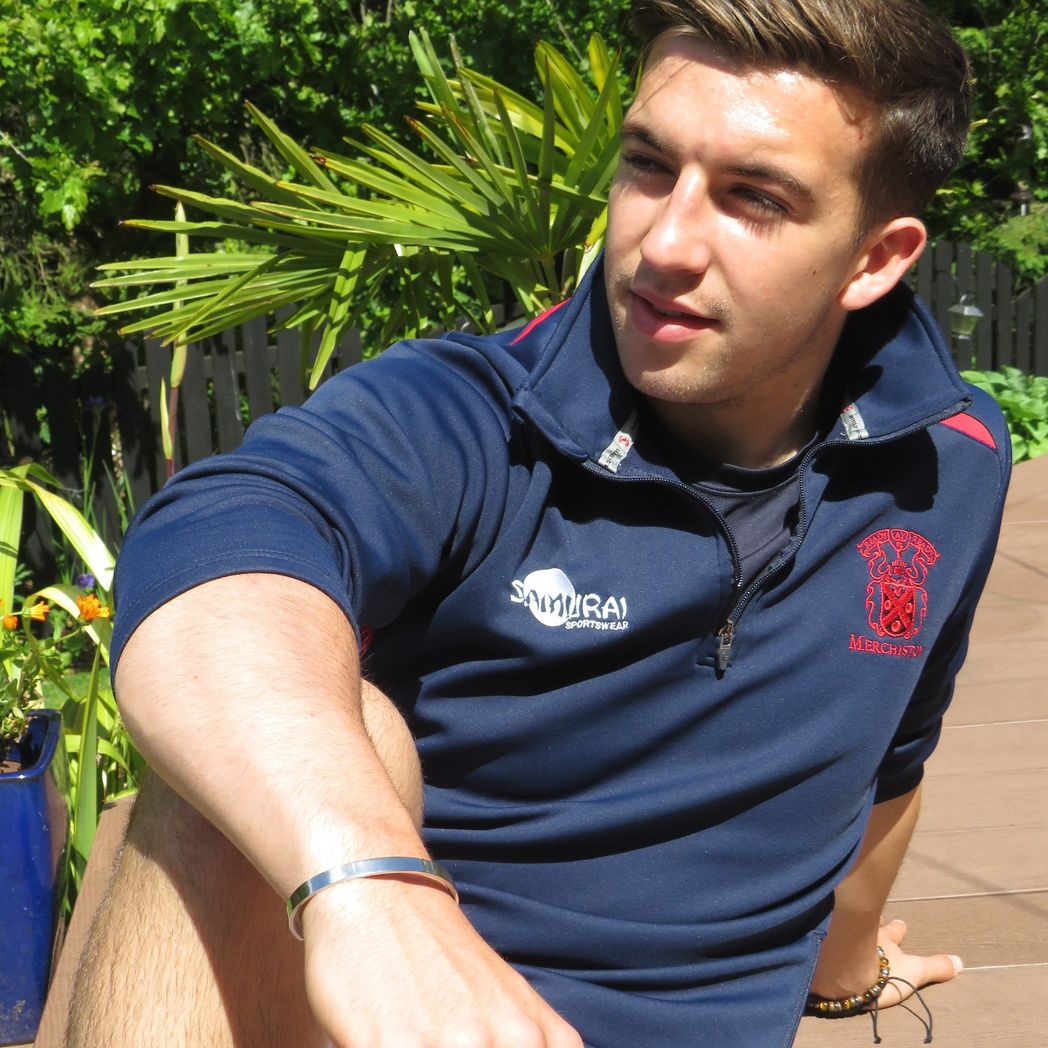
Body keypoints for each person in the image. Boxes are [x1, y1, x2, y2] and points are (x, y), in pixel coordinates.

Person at [69, 1, 1010, 1045]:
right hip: (403, 1014)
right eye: (649, 165)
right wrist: (370, 886)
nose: (664, 242)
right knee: (278, 740)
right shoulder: (470, 418)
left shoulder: (948, 463)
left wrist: (845, 973)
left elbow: (886, 764)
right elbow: (224, 545)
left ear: (875, 259)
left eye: (754, 198)